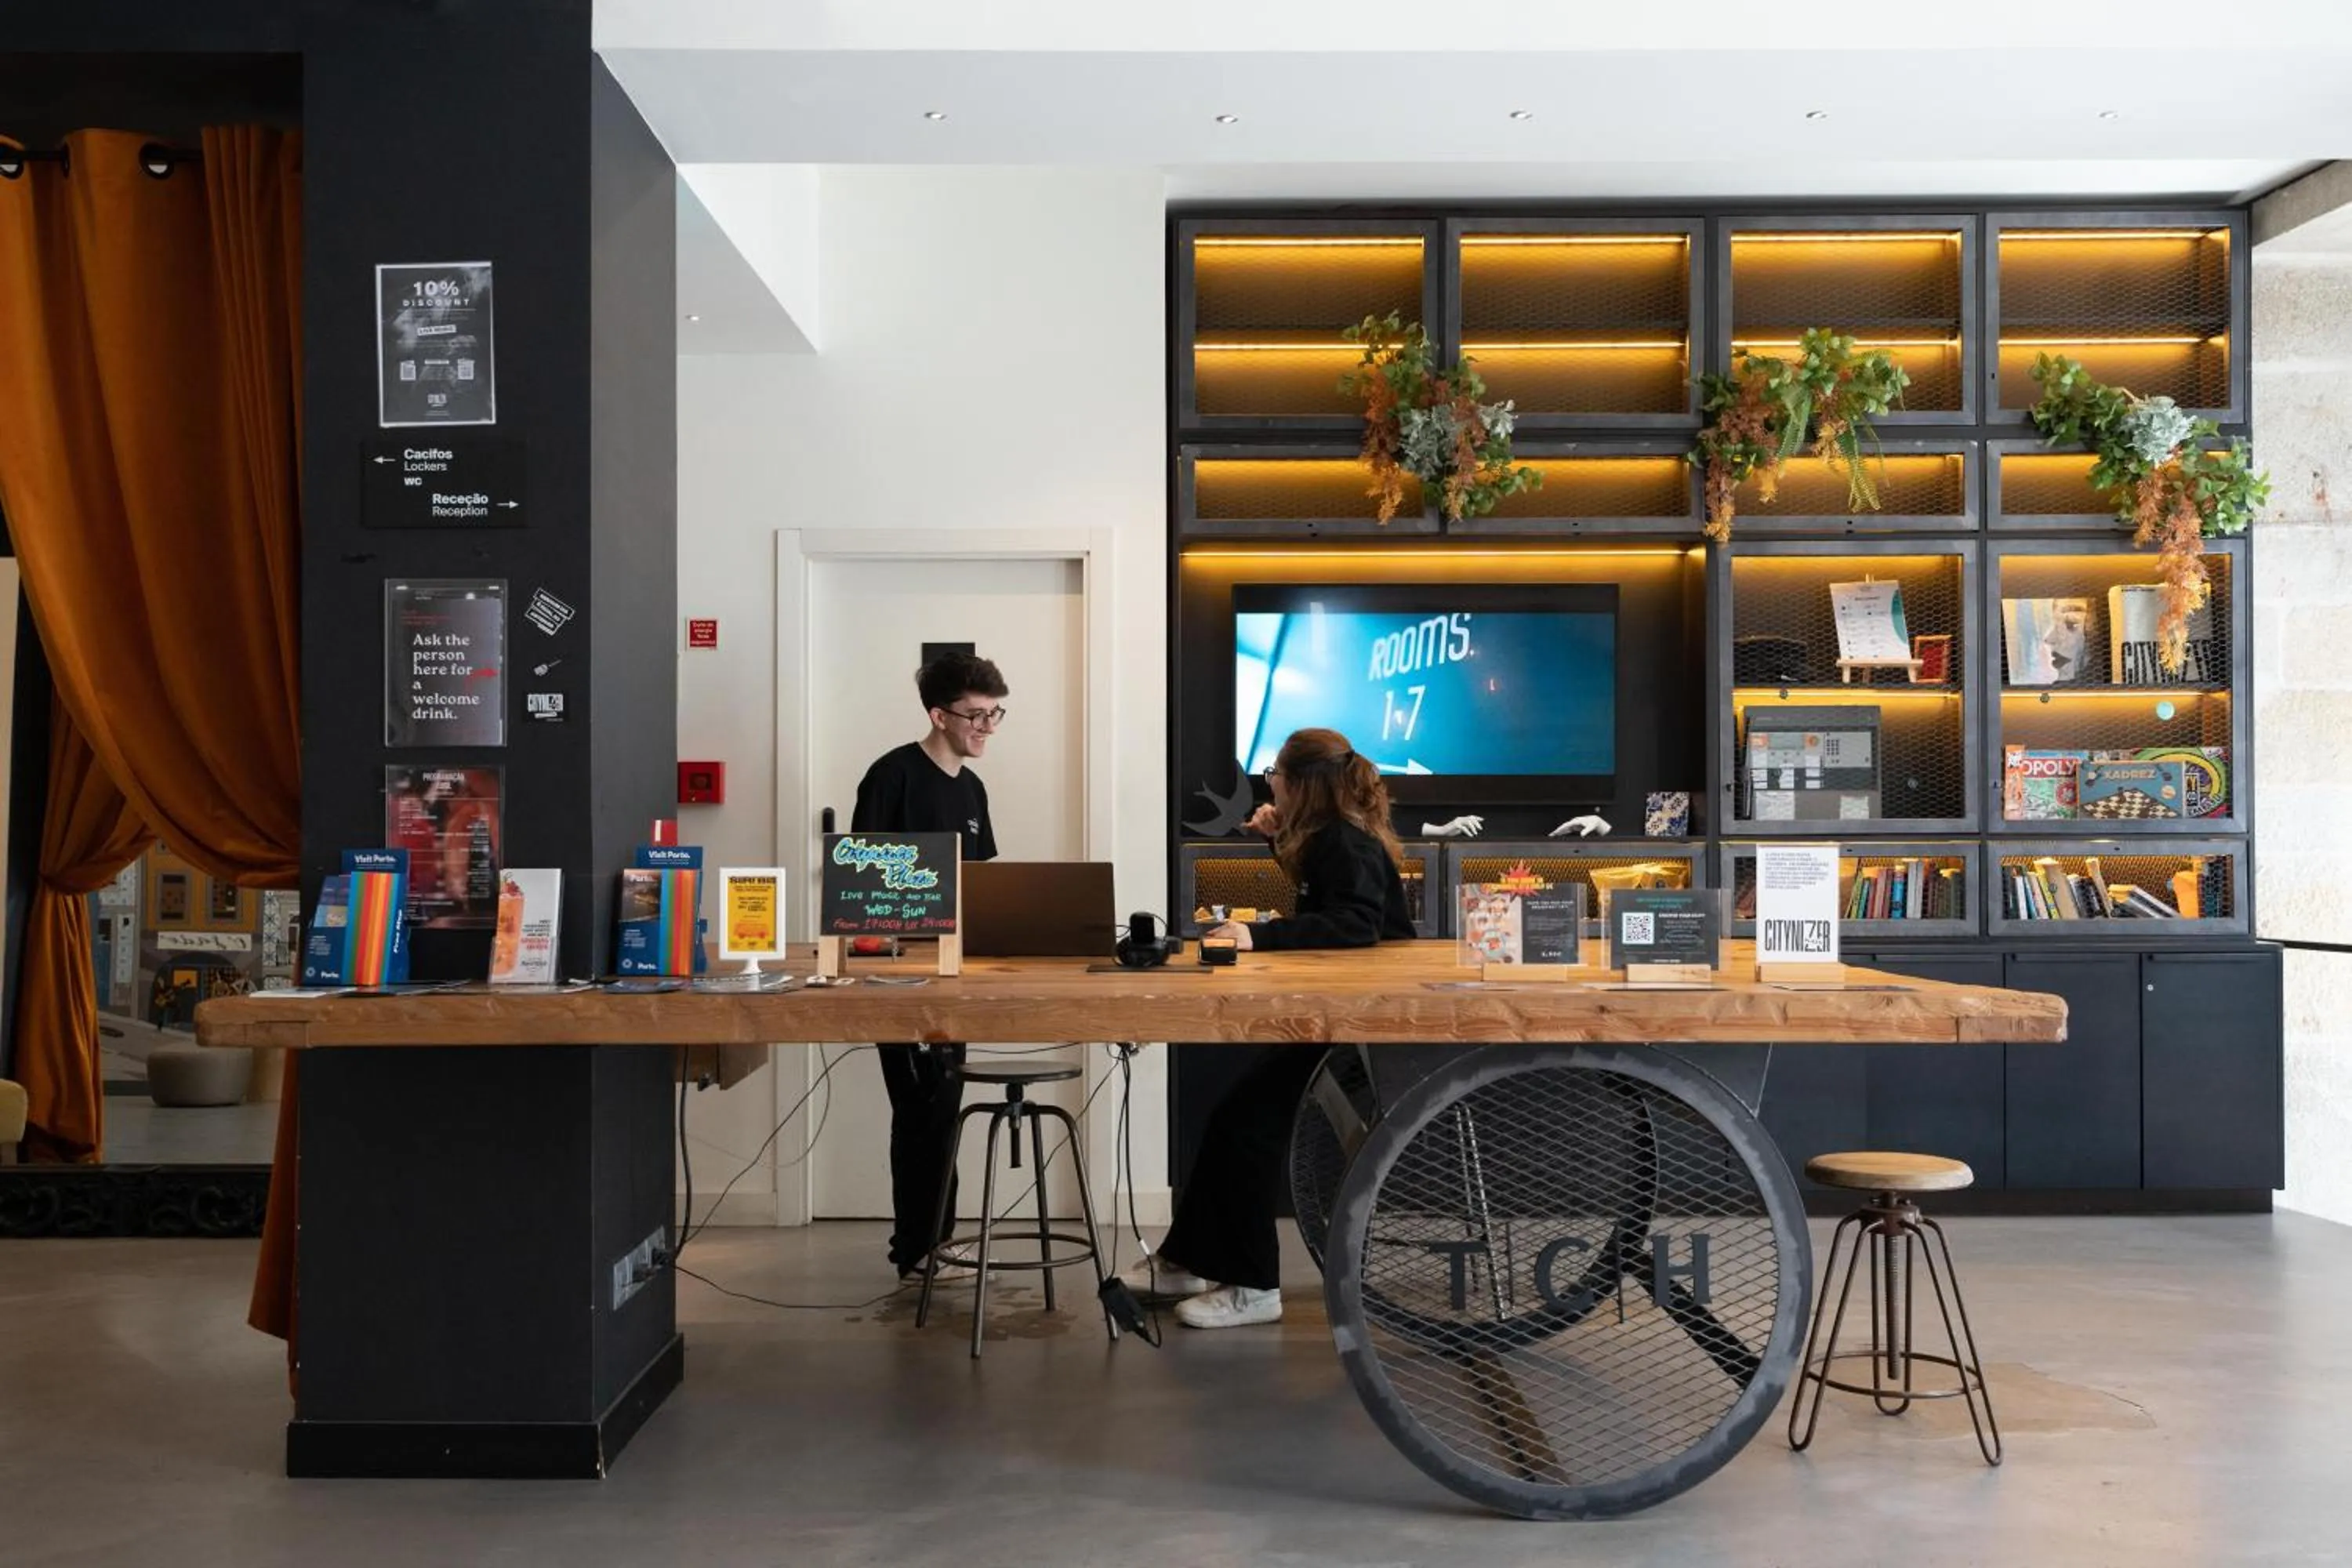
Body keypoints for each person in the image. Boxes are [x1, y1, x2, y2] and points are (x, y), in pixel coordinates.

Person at [1127, 726, 1414, 1329]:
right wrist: (1279, 838)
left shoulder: (1345, 841)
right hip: (1338, 1017)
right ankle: (1186, 1260)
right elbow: (1329, 900)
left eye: (1275, 777)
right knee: (1235, 1116)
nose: (1269, 785)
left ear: (1301, 783)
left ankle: (1254, 1286)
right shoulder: (1336, 836)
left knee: (1246, 1128)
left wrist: (1258, 934)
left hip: (1357, 1030)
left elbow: (1354, 926)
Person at [851, 650, 1007, 1279]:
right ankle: (917, 1249)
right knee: (920, 1112)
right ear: (940, 716)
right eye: (976, 716)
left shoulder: (972, 788)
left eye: (996, 714)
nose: (988, 728)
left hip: (955, 972)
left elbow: (984, 886)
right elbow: (858, 880)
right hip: (898, 975)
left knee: (943, 1105)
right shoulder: (892, 777)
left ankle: (935, 1242)